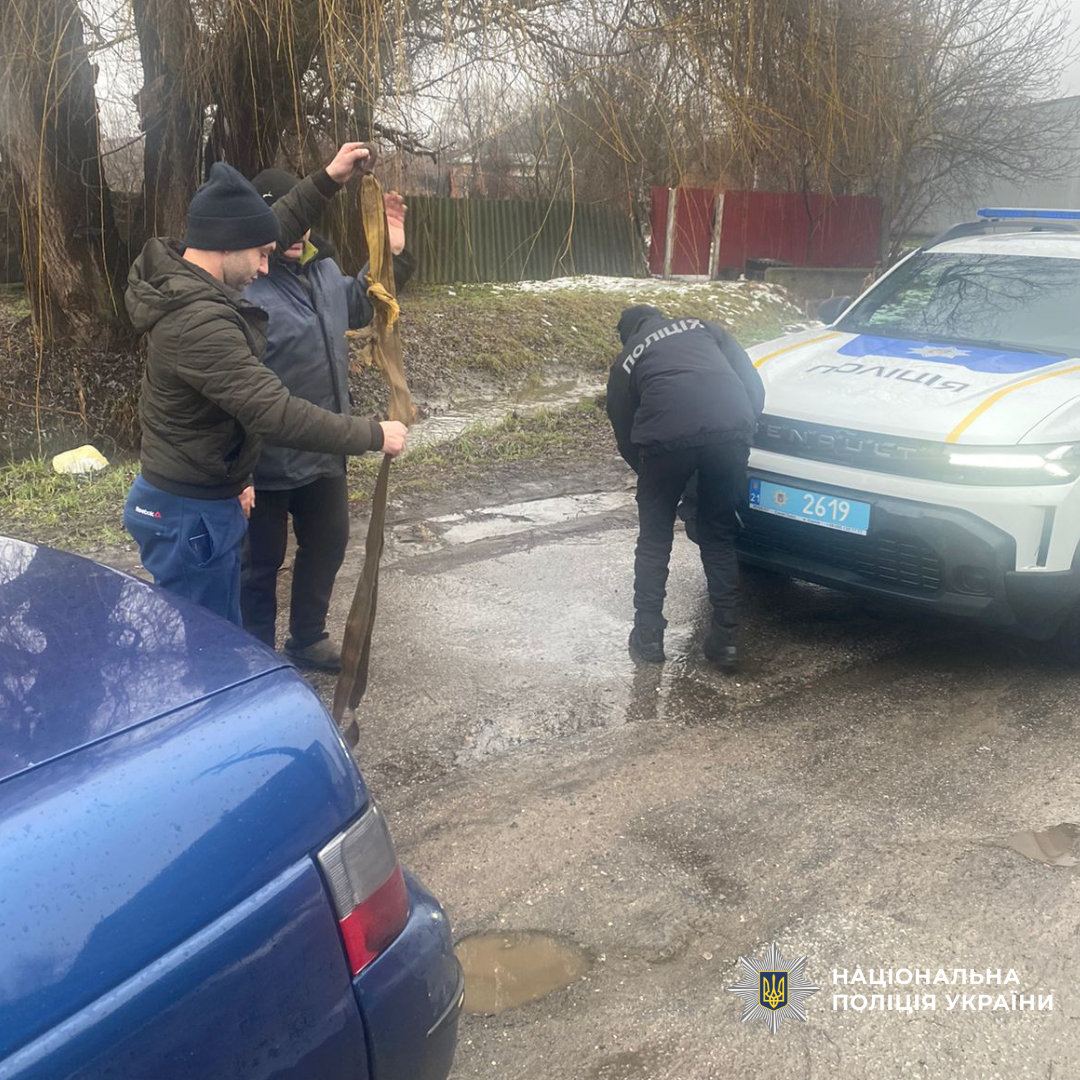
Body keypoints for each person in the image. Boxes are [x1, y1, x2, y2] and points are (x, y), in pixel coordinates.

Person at [123, 144, 408, 627]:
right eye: (259, 255)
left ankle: (258, 679)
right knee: (209, 651)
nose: (262, 267)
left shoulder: (195, 282)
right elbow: (273, 412)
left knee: (219, 638)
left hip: (207, 493)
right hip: (192, 511)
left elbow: (273, 227)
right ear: (230, 243)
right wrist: (373, 434)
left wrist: (330, 178)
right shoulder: (200, 322)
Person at [238, 168, 416, 672]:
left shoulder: (324, 273)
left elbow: (364, 301)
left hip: (323, 450)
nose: (296, 234)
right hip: (264, 458)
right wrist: (238, 473)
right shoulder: (245, 288)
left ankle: (307, 639)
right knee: (259, 565)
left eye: (303, 220)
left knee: (328, 545)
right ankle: (254, 659)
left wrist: (391, 251)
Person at [606, 304, 765, 671]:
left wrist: (654, 476)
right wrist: (741, 430)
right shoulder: (705, 328)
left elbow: (625, 432)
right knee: (719, 535)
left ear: (627, 332)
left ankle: (648, 637)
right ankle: (726, 640)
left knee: (655, 539)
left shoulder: (629, 357)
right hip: (731, 433)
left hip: (663, 443)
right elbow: (751, 386)